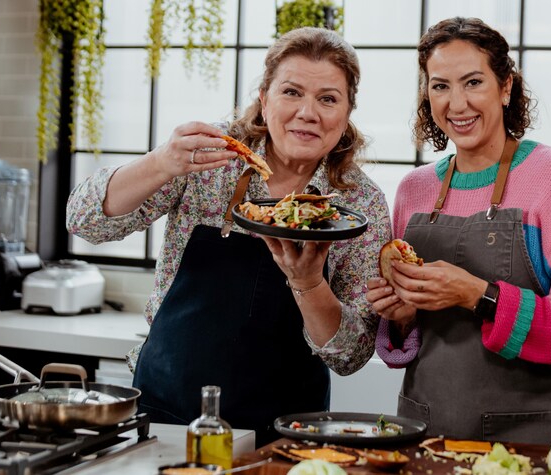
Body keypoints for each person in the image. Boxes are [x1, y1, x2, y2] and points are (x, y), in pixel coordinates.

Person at [66, 27, 392, 446]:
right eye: (291, 92)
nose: (307, 112)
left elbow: (351, 355)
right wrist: (160, 162)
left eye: (328, 99)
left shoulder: (360, 203)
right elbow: (84, 221)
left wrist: (309, 284)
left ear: (347, 113)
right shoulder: (209, 157)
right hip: (169, 414)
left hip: (287, 433)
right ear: (264, 98)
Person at [366, 17, 551, 445]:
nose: (457, 104)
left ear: (506, 87)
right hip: (429, 433)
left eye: (473, 82)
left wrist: (476, 295)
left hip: (530, 440)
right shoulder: (414, 190)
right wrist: (402, 316)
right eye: (440, 86)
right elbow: (412, 339)